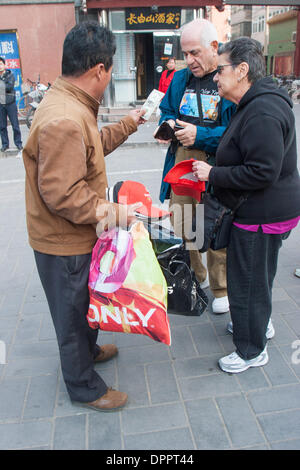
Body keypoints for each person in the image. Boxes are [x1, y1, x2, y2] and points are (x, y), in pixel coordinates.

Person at [22, 22, 146, 411]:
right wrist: (118, 214)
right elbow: (63, 193)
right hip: (63, 242)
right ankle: (84, 387)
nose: (108, 79)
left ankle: (88, 354)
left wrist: (130, 123)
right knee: (72, 317)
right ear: (99, 70)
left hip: (74, 237)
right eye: (109, 72)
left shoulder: (73, 104)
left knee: (84, 303)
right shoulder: (63, 117)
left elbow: (89, 148)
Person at [192, 37, 300, 373]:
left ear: (241, 71)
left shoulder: (263, 110)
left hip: (261, 214)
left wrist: (214, 173)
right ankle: (258, 325)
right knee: (258, 275)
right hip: (264, 210)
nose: (215, 77)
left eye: (220, 69)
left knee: (248, 280)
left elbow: (262, 171)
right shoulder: (255, 103)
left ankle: (252, 350)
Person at [155, 19, 236, 314]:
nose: (189, 60)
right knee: (182, 222)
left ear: (214, 48)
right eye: (186, 53)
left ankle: (221, 287)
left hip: (216, 163)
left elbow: (235, 131)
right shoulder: (180, 79)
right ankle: (195, 275)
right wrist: (167, 124)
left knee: (214, 223)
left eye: (195, 53)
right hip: (182, 159)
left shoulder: (228, 77)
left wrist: (200, 135)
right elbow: (166, 108)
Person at [0, 57, 23, 152]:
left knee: (15, 125)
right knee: (2, 126)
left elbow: (9, 86)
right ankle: (5, 144)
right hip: (1, 104)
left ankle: (18, 143)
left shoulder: (10, 75)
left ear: (4, 65)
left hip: (10, 103)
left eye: (1, 64)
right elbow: (5, 86)